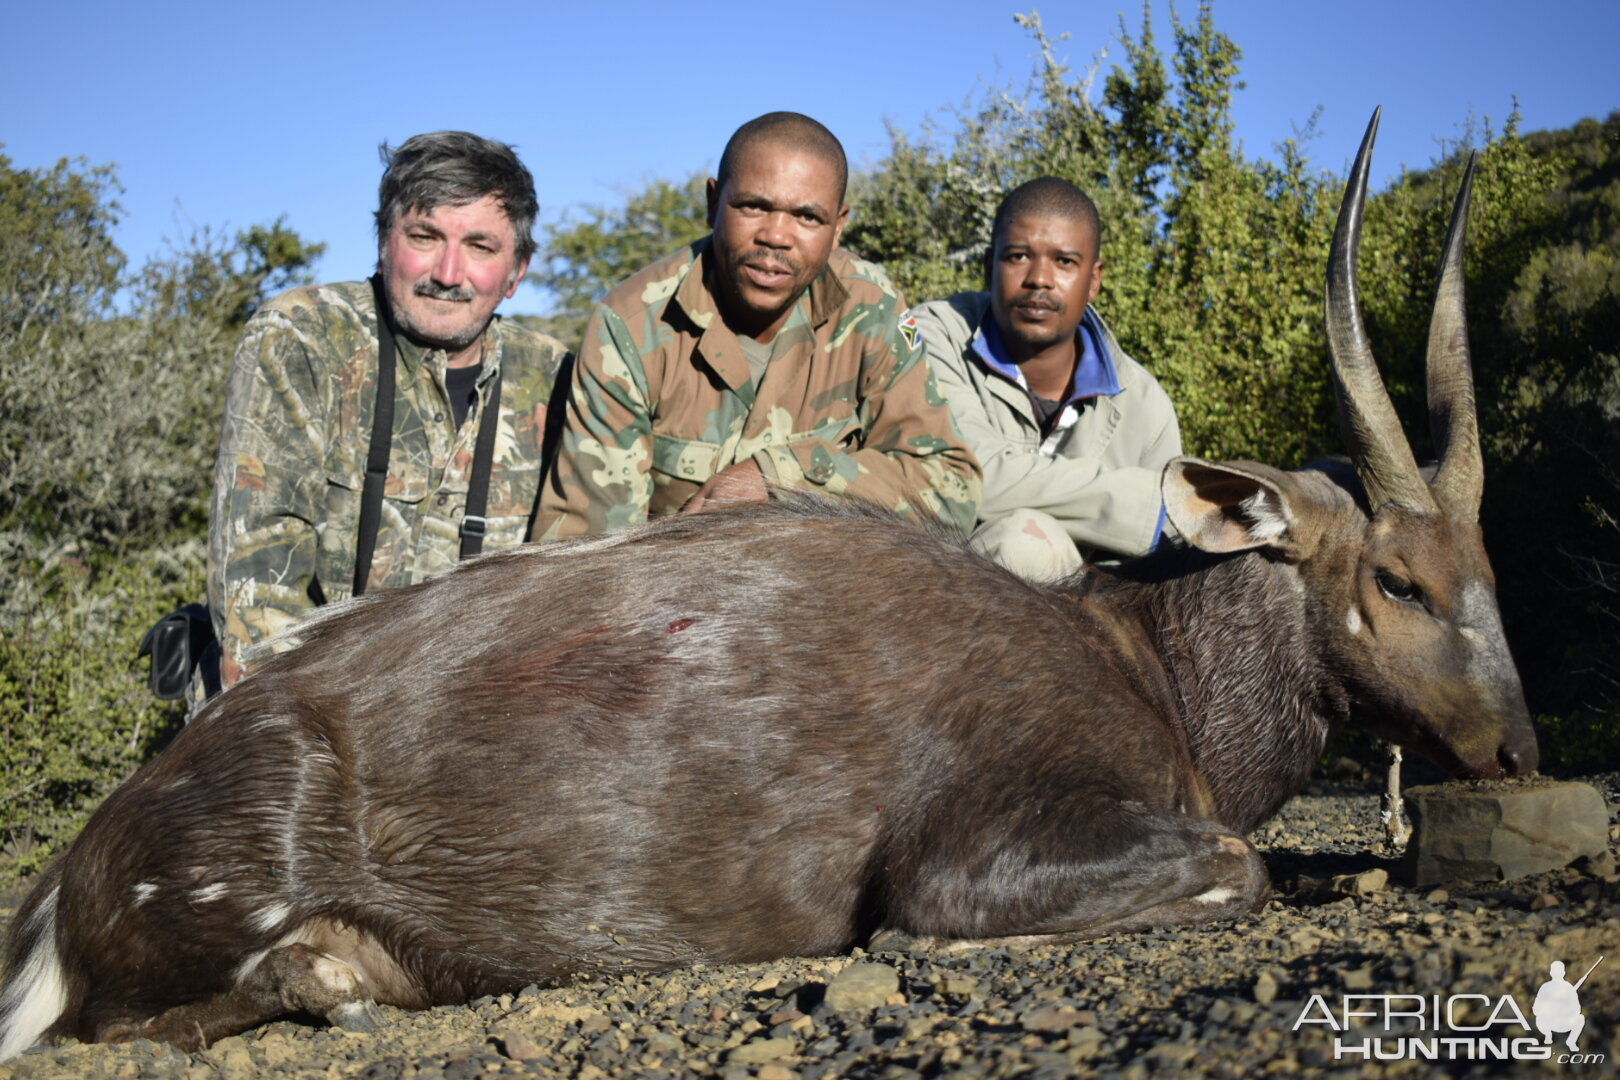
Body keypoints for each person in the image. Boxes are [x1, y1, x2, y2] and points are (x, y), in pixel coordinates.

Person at [209, 131, 567, 687]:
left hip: (476, 717)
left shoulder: (555, 376)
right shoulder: (304, 337)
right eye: (424, 237)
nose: (448, 273)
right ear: (383, 242)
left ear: (517, 271)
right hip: (308, 710)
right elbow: (256, 596)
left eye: (480, 247)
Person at [533, 111, 979, 539]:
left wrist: (780, 476)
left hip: (832, 591)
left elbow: (950, 491)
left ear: (838, 227)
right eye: (752, 206)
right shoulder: (631, 326)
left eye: (807, 217)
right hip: (673, 596)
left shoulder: (872, 307)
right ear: (713, 203)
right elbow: (585, 545)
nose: (776, 236)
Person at [909, 177, 1181, 581]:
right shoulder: (929, 333)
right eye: (1018, 256)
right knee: (1028, 545)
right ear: (989, 267)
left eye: (1065, 262)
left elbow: (1162, 561)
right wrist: (1149, 506)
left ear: (1094, 280)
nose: (1039, 278)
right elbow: (968, 471)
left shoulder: (1143, 404)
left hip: (1090, 624)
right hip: (931, 594)